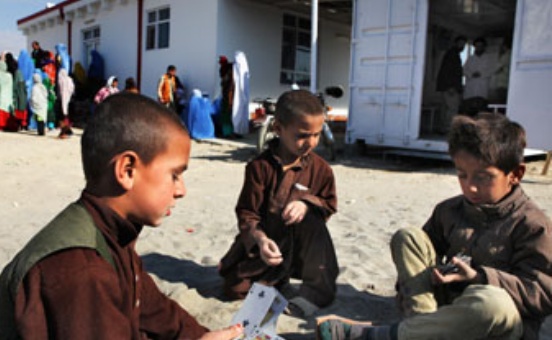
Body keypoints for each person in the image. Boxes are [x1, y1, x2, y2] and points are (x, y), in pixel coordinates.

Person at [0, 93, 244, 339]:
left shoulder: (114, 234)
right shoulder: (82, 270)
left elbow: (156, 311)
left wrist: (199, 336)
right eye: (174, 175)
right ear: (127, 170)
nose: (181, 190)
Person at [318, 112, 552, 340]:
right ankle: (421, 327)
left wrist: (478, 277)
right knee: (408, 237)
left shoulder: (533, 225)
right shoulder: (449, 210)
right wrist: (424, 279)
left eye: (483, 177)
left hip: (494, 324)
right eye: (462, 175)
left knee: (492, 303)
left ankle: (388, 334)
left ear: (515, 174)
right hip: (441, 310)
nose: (470, 187)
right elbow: (421, 258)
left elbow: (541, 294)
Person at [219, 89, 339, 318]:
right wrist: (261, 240)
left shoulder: (321, 169)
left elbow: (329, 203)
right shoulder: (258, 168)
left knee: (313, 217)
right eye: (302, 135)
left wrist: (307, 203)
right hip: (266, 244)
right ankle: (276, 279)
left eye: (317, 135)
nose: (311, 143)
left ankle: (316, 293)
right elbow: (247, 213)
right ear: (278, 129)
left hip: (302, 245)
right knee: (234, 289)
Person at [436, 35, 466, 134]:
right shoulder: (452, 55)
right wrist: (451, 87)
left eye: (464, 44)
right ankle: (448, 129)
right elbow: (448, 71)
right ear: (456, 43)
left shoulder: (452, 54)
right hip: (450, 87)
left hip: (446, 86)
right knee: (452, 108)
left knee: (445, 108)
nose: (463, 46)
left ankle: (443, 128)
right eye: (461, 43)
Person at [57, 68, 75, 138]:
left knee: (62, 117)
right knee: (67, 116)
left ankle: (65, 131)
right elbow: (72, 89)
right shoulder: (70, 80)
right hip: (69, 100)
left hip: (62, 100)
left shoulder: (61, 80)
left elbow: (60, 91)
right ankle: (67, 130)